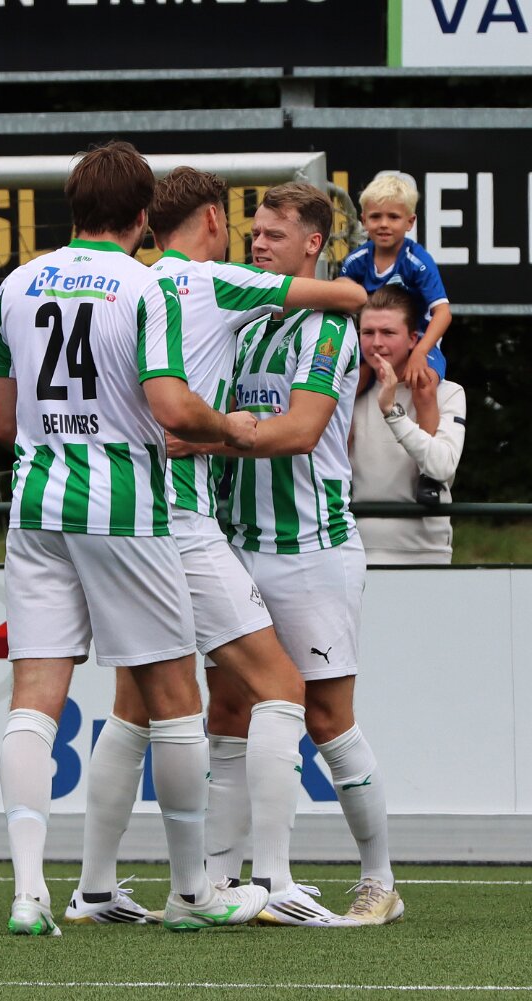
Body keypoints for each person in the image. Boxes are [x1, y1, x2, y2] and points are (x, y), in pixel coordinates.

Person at [66, 167, 367, 929]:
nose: (248, 241)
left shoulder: (127, 289)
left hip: (111, 513)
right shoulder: (210, 282)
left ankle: (93, 888)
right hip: (182, 519)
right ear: (210, 219)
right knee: (282, 687)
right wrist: (228, 427)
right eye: (242, 227)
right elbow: (349, 296)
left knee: (134, 706)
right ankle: (268, 880)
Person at [0, 142, 266, 936]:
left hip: (35, 504)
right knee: (174, 699)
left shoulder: (16, 284)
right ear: (144, 217)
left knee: (35, 698)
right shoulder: (149, 287)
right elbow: (174, 410)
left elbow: (3, 422)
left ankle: (29, 892)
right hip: (122, 507)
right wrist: (233, 428)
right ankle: (192, 893)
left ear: (72, 207)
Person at [213, 182, 404, 925]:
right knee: (228, 710)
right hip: (236, 545)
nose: (258, 243)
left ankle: (379, 881)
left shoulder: (328, 327)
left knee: (326, 719)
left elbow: (299, 431)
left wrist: (209, 433)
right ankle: (224, 880)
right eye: (255, 233)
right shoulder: (246, 318)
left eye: (274, 234)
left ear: (313, 244)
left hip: (311, 551)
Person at [352, 287, 466, 564]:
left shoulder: (448, 392)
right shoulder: (350, 391)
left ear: (413, 339)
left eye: (388, 333)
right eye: (367, 333)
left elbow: (442, 467)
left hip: (426, 554)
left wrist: (392, 412)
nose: (376, 343)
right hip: (354, 552)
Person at [340, 174, 452, 385]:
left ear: (410, 222)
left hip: (419, 339)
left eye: (393, 217)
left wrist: (420, 351)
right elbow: (340, 299)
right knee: (350, 382)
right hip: (374, 340)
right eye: (375, 217)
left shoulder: (418, 261)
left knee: (424, 384)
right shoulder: (355, 261)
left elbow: (443, 313)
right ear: (363, 220)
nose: (384, 224)